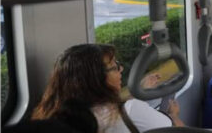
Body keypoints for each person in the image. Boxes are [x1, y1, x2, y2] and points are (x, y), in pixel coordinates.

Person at [31, 43, 184, 133]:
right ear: (96, 79)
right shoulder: (130, 110)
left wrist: (137, 90)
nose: (121, 69)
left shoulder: (51, 119)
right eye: (114, 67)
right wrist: (174, 115)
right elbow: (178, 130)